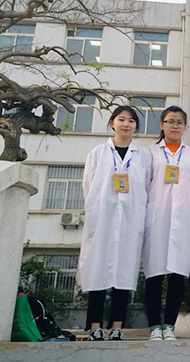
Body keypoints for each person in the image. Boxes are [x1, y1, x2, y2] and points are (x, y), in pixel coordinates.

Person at [78, 106, 152, 341]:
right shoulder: (98, 153)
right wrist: (95, 213)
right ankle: (95, 326)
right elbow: (88, 185)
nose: (126, 124)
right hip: (103, 220)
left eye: (131, 121)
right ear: (112, 123)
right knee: (97, 271)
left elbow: (146, 187)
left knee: (124, 274)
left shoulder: (143, 155)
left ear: (136, 126)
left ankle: (117, 326)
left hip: (130, 221)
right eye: (121, 119)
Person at [142, 106, 190, 341]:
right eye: (170, 121)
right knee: (154, 274)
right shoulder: (149, 154)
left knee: (177, 275)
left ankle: (169, 325)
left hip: (184, 219)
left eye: (179, 122)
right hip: (156, 218)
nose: (175, 126)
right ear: (162, 125)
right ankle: (153, 326)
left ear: (185, 127)